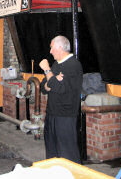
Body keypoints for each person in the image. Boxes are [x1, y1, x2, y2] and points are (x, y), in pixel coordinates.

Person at [40, 35, 83, 163]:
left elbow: (59, 88)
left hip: (65, 116)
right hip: (52, 114)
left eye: (52, 47)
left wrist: (47, 70)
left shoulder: (73, 65)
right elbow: (44, 86)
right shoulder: (56, 64)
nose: (50, 51)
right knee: (52, 153)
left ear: (60, 47)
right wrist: (52, 80)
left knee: (67, 154)